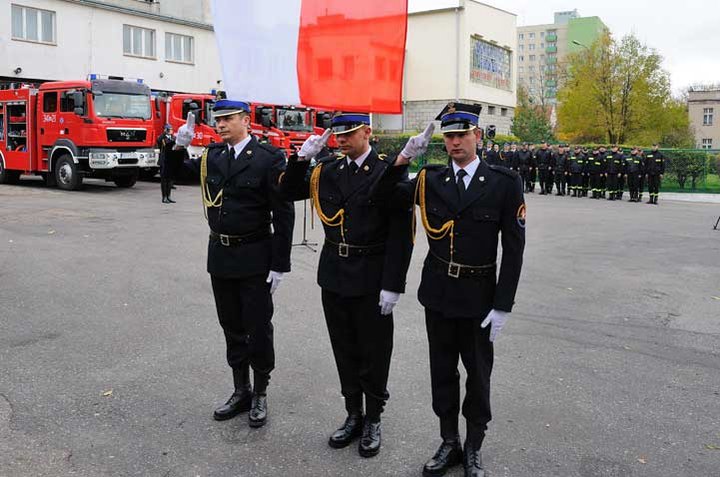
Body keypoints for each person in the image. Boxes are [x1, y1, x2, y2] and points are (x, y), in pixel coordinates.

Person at [394, 103, 525, 477]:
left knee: (478, 376)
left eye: (461, 135)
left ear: (477, 136)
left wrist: (503, 305)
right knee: (442, 373)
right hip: (438, 295)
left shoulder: (503, 182)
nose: (454, 142)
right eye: (448, 136)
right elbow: (383, 196)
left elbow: (514, 248)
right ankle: (448, 440)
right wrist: (404, 156)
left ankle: (473, 445)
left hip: (480, 298)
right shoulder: (430, 179)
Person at [278, 113, 416, 458]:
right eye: (338, 135)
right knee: (344, 348)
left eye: (350, 134)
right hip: (335, 271)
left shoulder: (388, 170)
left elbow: (402, 232)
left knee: (374, 350)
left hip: (371, 274)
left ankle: (373, 418)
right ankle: (353, 413)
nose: (342, 140)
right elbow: (288, 192)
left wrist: (393, 283)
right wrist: (301, 159)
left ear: (367, 133)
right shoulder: (328, 169)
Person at [182, 100, 295, 427]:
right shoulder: (213, 156)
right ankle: (240, 389)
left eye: (228, 119)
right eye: (217, 120)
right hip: (221, 256)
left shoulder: (267, 158)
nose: (220, 125)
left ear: (246, 120)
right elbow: (180, 173)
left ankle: (260, 392)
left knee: (258, 327)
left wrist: (280, 263)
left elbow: (283, 213)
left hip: (255, 256)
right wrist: (176, 146)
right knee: (231, 325)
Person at [156, 124, 184, 203]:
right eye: (169, 129)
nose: (171, 131)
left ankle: (169, 196)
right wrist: (164, 134)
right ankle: (164, 197)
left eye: (171, 129)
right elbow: (162, 143)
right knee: (164, 180)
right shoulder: (162, 138)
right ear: (165, 130)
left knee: (170, 180)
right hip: (164, 160)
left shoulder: (174, 138)